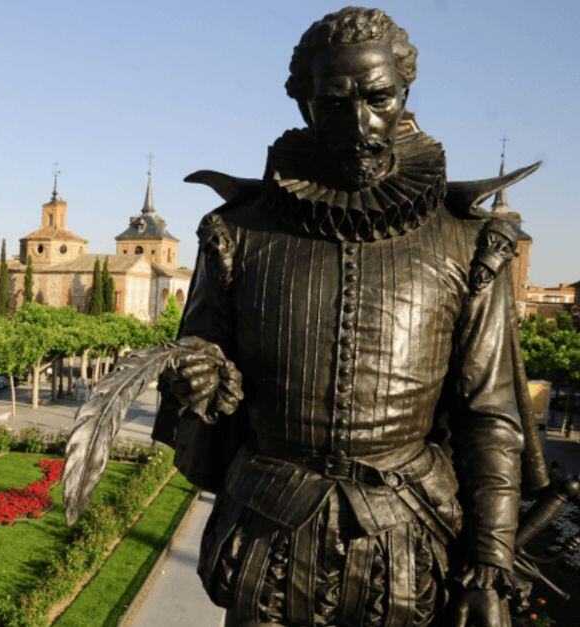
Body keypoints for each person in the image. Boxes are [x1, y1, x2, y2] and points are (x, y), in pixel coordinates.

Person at [147, 8, 542, 626]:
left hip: (408, 545)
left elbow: (489, 416)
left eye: (379, 99)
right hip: (267, 536)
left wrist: (490, 562)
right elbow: (199, 356)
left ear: (404, 92)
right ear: (302, 102)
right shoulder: (237, 233)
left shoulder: (469, 241)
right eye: (333, 105)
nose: (360, 126)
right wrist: (199, 374)